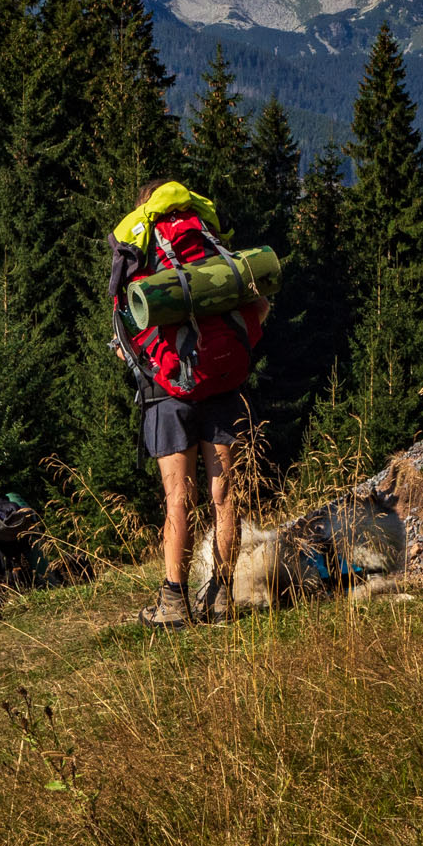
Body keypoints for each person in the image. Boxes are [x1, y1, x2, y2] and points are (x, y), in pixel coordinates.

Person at [108, 179, 266, 627]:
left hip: (169, 387)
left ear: (144, 206)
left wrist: (137, 357)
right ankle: (220, 595)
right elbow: (257, 306)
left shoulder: (140, 244)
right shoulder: (206, 237)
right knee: (224, 493)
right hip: (221, 379)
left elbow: (124, 325)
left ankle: (174, 602)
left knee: (179, 496)